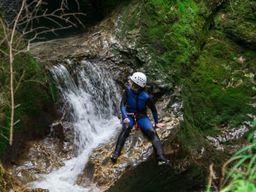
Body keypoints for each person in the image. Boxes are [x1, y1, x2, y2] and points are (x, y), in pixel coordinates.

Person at [111, 72, 169, 165]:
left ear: (135, 85)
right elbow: (122, 105)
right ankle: (116, 153)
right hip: (129, 114)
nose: (129, 81)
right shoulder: (127, 91)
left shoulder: (146, 97)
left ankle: (161, 157)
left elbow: (153, 110)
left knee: (152, 132)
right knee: (126, 128)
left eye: (131, 81)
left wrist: (156, 122)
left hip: (141, 116)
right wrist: (125, 117)